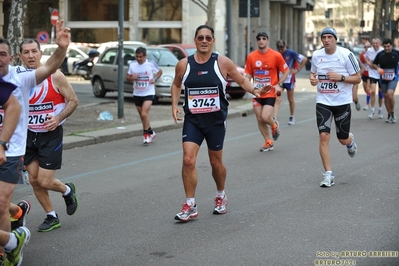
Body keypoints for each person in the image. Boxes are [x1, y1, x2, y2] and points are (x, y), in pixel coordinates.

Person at [170, 25, 269, 222]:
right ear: (195, 40)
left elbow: (242, 81)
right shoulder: (183, 64)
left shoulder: (222, 63)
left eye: (208, 37)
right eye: (200, 38)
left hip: (215, 121)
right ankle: (190, 204)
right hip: (193, 120)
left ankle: (221, 195)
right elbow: (176, 84)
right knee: (188, 160)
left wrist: (256, 91)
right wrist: (174, 105)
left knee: (215, 163)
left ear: (213, 40)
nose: (204, 41)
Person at [18, 38, 79, 232]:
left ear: (40, 53)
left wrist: (58, 117)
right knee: (34, 180)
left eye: (34, 51)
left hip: (50, 134)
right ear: (20, 56)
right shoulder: (18, 79)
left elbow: (73, 101)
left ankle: (67, 190)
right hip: (28, 135)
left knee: (44, 180)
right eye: (26, 52)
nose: (30, 56)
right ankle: (51, 216)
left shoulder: (55, 76)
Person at [309, 27, 361, 188]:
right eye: (323, 37)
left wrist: (341, 77)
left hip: (342, 102)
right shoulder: (317, 56)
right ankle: (328, 174)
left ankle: (350, 141)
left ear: (335, 39)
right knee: (324, 136)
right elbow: (313, 74)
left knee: (342, 139)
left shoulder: (346, 55)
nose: (326, 40)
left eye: (329, 37)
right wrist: (312, 80)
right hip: (323, 101)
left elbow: (358, 78)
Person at [0, 76, 30, 266]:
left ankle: (6, 248)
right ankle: (11, 241)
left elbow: (14, 106)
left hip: (12, 151)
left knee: (1, 204)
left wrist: (2, 144)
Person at [245, 32, 289, 152]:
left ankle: (274, 125)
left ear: (268, 41)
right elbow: (248, 73)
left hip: (270, 92)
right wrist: (246, 81)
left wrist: (279, 84)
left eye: (264, 39)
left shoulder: (276, 55)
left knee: (265, 117)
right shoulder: (251, 56)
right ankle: (268, 141)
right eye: (259, 39)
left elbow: (286, 70)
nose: (261, 41)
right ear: (256, 41)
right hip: (257, 92)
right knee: (259, 119)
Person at [126, 47, 162, 145]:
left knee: (144, 114)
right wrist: (132, 77)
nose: (139, 59)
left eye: (141, 57)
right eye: (137, 56)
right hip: (137, 93)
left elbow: (159, 71)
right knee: (143, 116)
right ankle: (151, 132)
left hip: (148, 92)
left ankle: (146, 135)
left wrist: (155, 78)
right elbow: (127, 77)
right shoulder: (132, 65)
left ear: (145, 56)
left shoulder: (150, 64)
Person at [274, 39, 308, 125]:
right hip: (280, 80)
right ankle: (275, 118)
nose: (280, 50)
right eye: (279, 48)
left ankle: (292, 116)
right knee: (278, 98)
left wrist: (297, 69)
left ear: (285, 46)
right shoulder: (276, 54)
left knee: (290, 99)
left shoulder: (291, 53)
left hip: (289, 80)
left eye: (282, 48)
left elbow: (304, 59)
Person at [371, 38, 399, 123]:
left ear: (391, 45)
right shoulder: (380, 54)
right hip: (383, 78)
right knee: (386, 97)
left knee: (390, 95)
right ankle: (389, 114)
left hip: (393, 77)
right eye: (385, 46)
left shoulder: (396, 53)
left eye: (388, 46)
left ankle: (393, 112)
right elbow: (374, 64)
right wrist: (378, 68)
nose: (386, 48)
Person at [365, 38, 384, 119]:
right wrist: (368, 63)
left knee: (380, 93)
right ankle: (372, 110)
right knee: (373, 91)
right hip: (372, 73)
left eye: (377, 43)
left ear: (379, 43)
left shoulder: (382, 50)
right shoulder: (369, 50)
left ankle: (380, 109)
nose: (375, 45)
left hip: (381, 74)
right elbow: (365, 57)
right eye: (373, 43)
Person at [359, 41, 371, 110]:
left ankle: (367, 104)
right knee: (365, 89)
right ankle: (369, 97)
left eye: (368, 47)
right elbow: (361, 65)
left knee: (368, 88)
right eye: (365, 47)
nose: (366, 48)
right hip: (364, 73)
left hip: (370, 74)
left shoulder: (372, 54)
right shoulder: (362, 54)